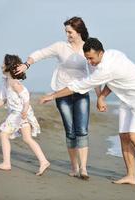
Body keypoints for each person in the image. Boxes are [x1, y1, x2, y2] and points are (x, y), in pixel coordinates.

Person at [40, 37, 135, 185]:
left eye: (91, 58)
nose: (89, 62)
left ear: (101, 53)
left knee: (133, 136)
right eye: (87, 58)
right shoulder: (114, 53)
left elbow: (78, 86)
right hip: (126, 99)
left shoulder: (105, 69)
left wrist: (52, 96)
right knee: (124, 137)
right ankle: (131, 176)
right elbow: (114, 80)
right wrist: (101, 97)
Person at [15, 17, 95, 179]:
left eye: (70, 32)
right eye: (66, 32)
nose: (67, 35)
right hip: (61, 94)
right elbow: (41, 54)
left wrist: (100, 97)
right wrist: (26, 64)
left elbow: (96, 73)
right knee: (71, 131)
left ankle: (84, 168)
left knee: (82, 130)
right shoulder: (60, 47)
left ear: (79, 31)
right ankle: (74, 167)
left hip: (81, 94)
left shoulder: (88, 48)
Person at [0, 54, 50, 176]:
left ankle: (6, 163)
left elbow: (26, 96)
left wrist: (25, 109)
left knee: (3, 134)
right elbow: (4, 99)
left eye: (4, 64)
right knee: (27, 138)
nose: (1, 65)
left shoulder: (15, 83)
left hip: (19, 114)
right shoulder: (6, 81)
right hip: (20, 114)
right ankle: (44, 161)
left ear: (10, 67)